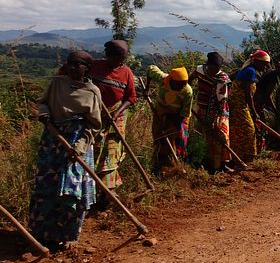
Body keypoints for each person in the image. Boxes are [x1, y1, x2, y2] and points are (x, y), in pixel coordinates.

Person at [29, 51, 102, 250]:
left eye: (77, 64)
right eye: (70, 63)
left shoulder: (92, 92)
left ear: (87, 68)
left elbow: (95, 125)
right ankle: (42, 234)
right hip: (52, 142)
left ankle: (69, 235)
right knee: (46, 187)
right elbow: (42, 102)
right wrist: (44, 114)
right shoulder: (57, 83)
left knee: (72, 190)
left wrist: (79, 147)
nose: (72, 67)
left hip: (77, 145)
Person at [89, 40, 136, 198]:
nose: (120, 62)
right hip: (93, 116)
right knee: (92, 152)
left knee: (111, 153)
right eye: (116, 58)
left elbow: (131, 98)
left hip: (116, 115)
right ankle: (91, 190)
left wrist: (116, 114)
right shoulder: (94, 66)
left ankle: (109, 191)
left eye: (122, 58)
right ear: (108, 55)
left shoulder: (126, 72)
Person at [146, 65, 193, 172]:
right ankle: (157, 162)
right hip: (160, 112)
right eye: (179, 84)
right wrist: (147, 89)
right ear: (172, 80)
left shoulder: (188, 91)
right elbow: (150, 69)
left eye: (184, 84)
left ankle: (172, 164)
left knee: (173, 139)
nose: (182, 87)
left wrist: (171, 126)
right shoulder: (164, 79)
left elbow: (184, 113)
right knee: (158, 136)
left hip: (177, 116)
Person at [190, 52, 232, 173]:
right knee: (204, 137)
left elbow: (221, 100)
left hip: (219, 112)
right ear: (207, 65)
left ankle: (222, 165)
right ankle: (206, 163)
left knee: (221, 136)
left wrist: (212, 120)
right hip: (202, 108)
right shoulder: (200, 70)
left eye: (218, 69)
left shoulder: (222, 78)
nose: (215, 71)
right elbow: (190, 78)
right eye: (213, 68)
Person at [228, 50, 270, 163]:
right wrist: (254, 112)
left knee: (238, 129)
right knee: (249, 129)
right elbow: (248, 95)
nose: (266, 67)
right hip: (239, 104)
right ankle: (245, 157)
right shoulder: (250, 71)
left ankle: (238, 156)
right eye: (264, 64)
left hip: (237, 103)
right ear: (256, 62)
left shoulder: (247, 69)